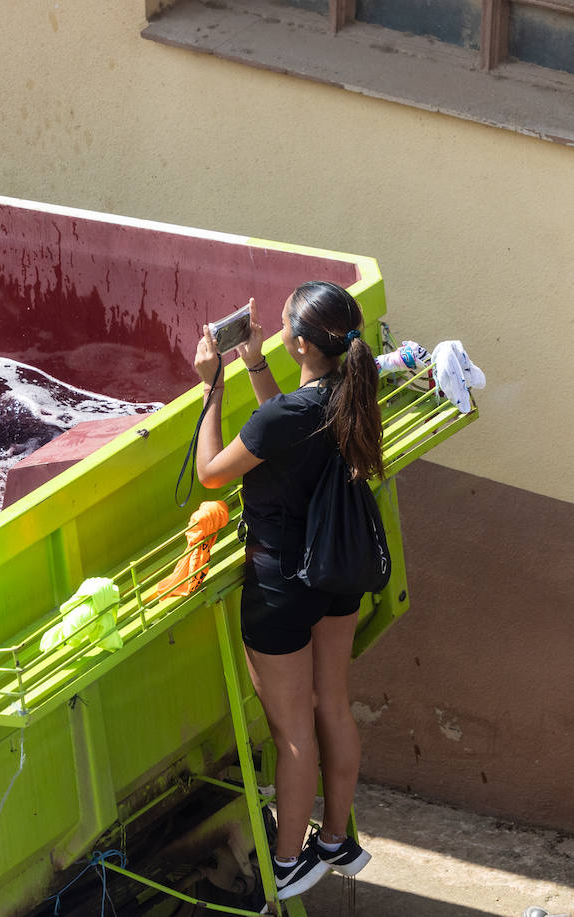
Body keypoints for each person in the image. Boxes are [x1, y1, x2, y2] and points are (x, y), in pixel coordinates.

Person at [192, 281, 383, 901]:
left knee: (292, 729)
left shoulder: (290, 414)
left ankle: (288, 861)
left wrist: (212, 386)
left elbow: (210, 474)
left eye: (277, 329)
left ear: (300, 342)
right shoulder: (351, 390)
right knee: (333, 704)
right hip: (337, 567)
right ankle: (335, 841)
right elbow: (287, 427)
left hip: (282, 582)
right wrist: (253, 363)